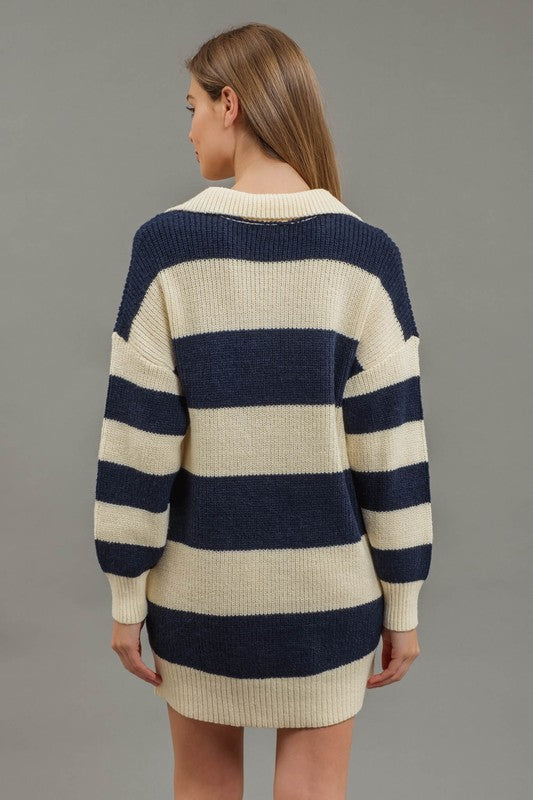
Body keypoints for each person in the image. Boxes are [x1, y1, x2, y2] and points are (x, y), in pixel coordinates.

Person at [94, 22, 433, 800]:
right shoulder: (366, 256)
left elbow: (137, 440)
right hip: (329, 600)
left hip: (200, 597)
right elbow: (392, 450)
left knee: (202, 786)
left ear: (230, 103)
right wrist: (403, 603)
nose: (187, 130)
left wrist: (125, 593)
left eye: (191, 108)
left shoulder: (167, 248)